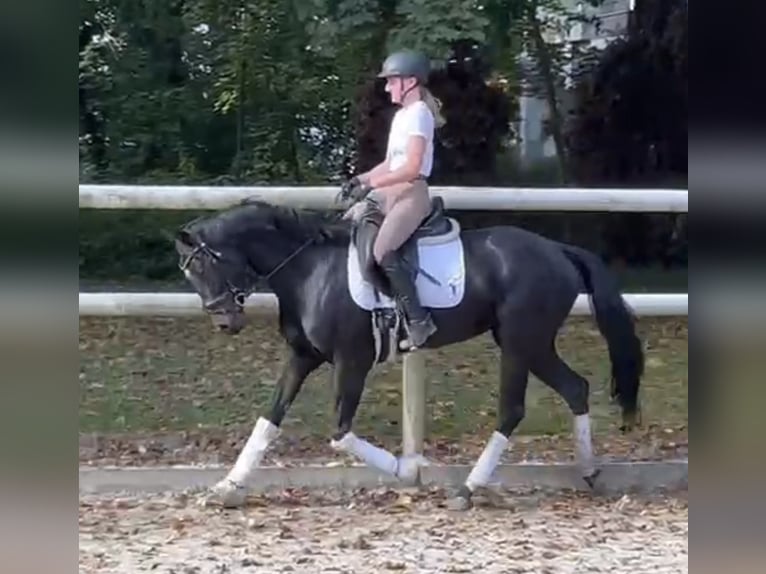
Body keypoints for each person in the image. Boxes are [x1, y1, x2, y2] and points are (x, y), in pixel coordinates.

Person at [341, 49, 446, 349]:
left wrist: (372, 184)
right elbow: (390, 164)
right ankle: (384, 313)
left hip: (411, 193)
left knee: (383, 249)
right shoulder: (402, 116)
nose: (387, 88)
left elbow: (411, 167)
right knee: (355, 228)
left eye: (392, 81)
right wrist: (359, 180)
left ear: (411, 82)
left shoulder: (420, 116)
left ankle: (418, 321)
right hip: (391, 192)